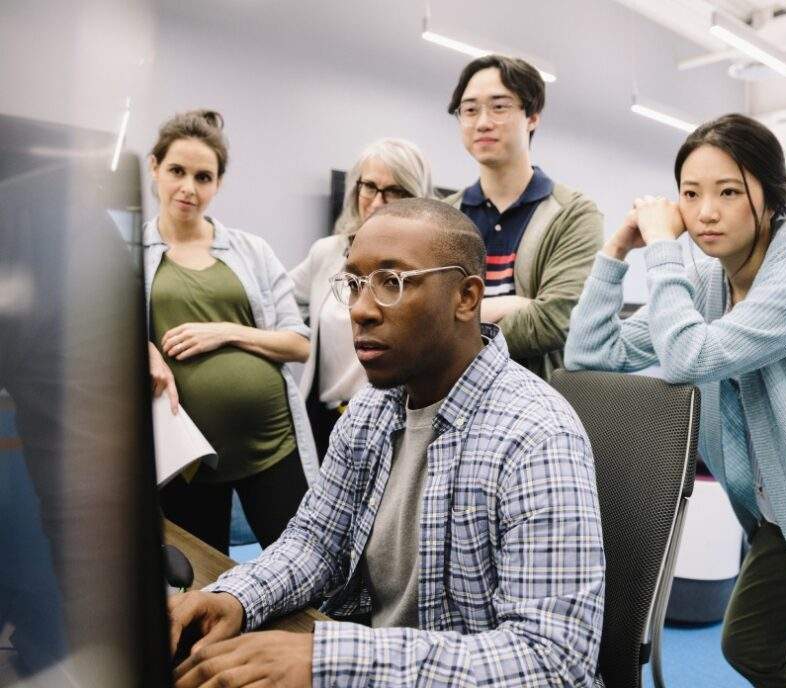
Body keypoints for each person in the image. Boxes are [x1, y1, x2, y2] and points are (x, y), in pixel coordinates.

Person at [166, 198, 605, 688]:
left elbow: (551, 662)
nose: (360, 309)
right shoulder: (374, 406)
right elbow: (317, 541)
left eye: (392, 283)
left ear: (466, 297)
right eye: (354, 283)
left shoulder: (536, 437)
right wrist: (236, 598)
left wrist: (328, 660)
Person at [565, 113, 786, 687]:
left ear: (771, 196)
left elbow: (690, 356)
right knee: (749, 644)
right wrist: (616, 251)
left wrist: (662, 251)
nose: (705, 212)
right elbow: (591, 354)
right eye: (690, 194)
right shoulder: (710, 282)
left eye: (728, 192)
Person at [146, 109, 318, 554]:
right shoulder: (131, 254)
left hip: (272, 446)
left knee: (302, 566)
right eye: (176, 171)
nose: (188, 187)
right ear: (154, 167)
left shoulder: (250, 250)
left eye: (203, 177)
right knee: (202, 583)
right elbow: (102, 335)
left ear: (217, 184)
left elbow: (299, 343)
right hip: (188, 457)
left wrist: (226, 331)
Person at [443, 54, 604, 380]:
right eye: (470, 110)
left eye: (499, 107)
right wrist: (515, 304)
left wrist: (453, 328)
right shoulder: (442, 217)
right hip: (447, 403)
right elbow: (422, 316)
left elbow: (555, 320)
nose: (483, 122)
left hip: (538, 403)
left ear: (532, 117)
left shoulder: (573, 214)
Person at [290, 138, 433, 461]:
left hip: (390, 421)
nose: (378, 202)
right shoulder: (328, 252)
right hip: (324, 419)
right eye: (369, 186)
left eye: (394, 191)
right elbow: (273, 302)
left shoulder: (424, 265)